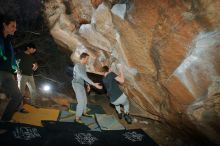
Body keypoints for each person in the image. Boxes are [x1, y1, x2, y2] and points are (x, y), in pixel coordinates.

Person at [0, 15, 23, 121]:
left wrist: (14, 69)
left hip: (8, 73)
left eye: (15, 26)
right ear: (5, 25)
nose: (15, 29)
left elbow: (11, 59)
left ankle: (5, 120)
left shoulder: (8, 41)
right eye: (13, 26)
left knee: (17, 96)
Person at [72, 52, 102, 124]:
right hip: (76, 84)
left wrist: (88, 85)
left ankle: (84, 113)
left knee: (85, 100)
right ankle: (77, 118)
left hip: (81, 85)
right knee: (81, 102)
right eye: (87, 59)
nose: (87, 60)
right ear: (83, 58)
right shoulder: (77, 66)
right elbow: (83, 76)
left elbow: (85, 76)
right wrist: (94, 84)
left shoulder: (83, 66)